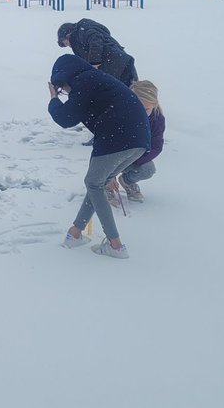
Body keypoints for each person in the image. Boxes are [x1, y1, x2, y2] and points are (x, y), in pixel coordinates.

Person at [47, 53, 150, 259]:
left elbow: (66, 118)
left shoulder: (84, 81)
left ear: (65, 77)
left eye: (63, 88)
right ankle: (74, 234)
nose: (66, 92)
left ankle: (116, 245)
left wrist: (53, 98)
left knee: (93, 184)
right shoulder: (96, 79)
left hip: (118, 137)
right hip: (138, 139)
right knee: (98, 184)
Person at [108, 80, 165, 202]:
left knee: (148, 170)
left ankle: (126, 181)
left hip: (134, 157)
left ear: (154, 105)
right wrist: (109, 175)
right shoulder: (118, 113)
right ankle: (103, 185)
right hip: (112, 155)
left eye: (146, 108)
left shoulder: (157, 119)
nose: (141, 112)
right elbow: (105, 143)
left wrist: (134, 158)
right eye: (137, 106)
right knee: (104, 177)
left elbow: (156, 146)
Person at [56, 19, 138, 85]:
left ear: (68, 35)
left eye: (67, 43)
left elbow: (95, 39)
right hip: (123, 61)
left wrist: (94, 62)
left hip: (115, 67)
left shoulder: (80, 32)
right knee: (136, 95)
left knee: (128, 98)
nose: (70, 46)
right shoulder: (86, 29)